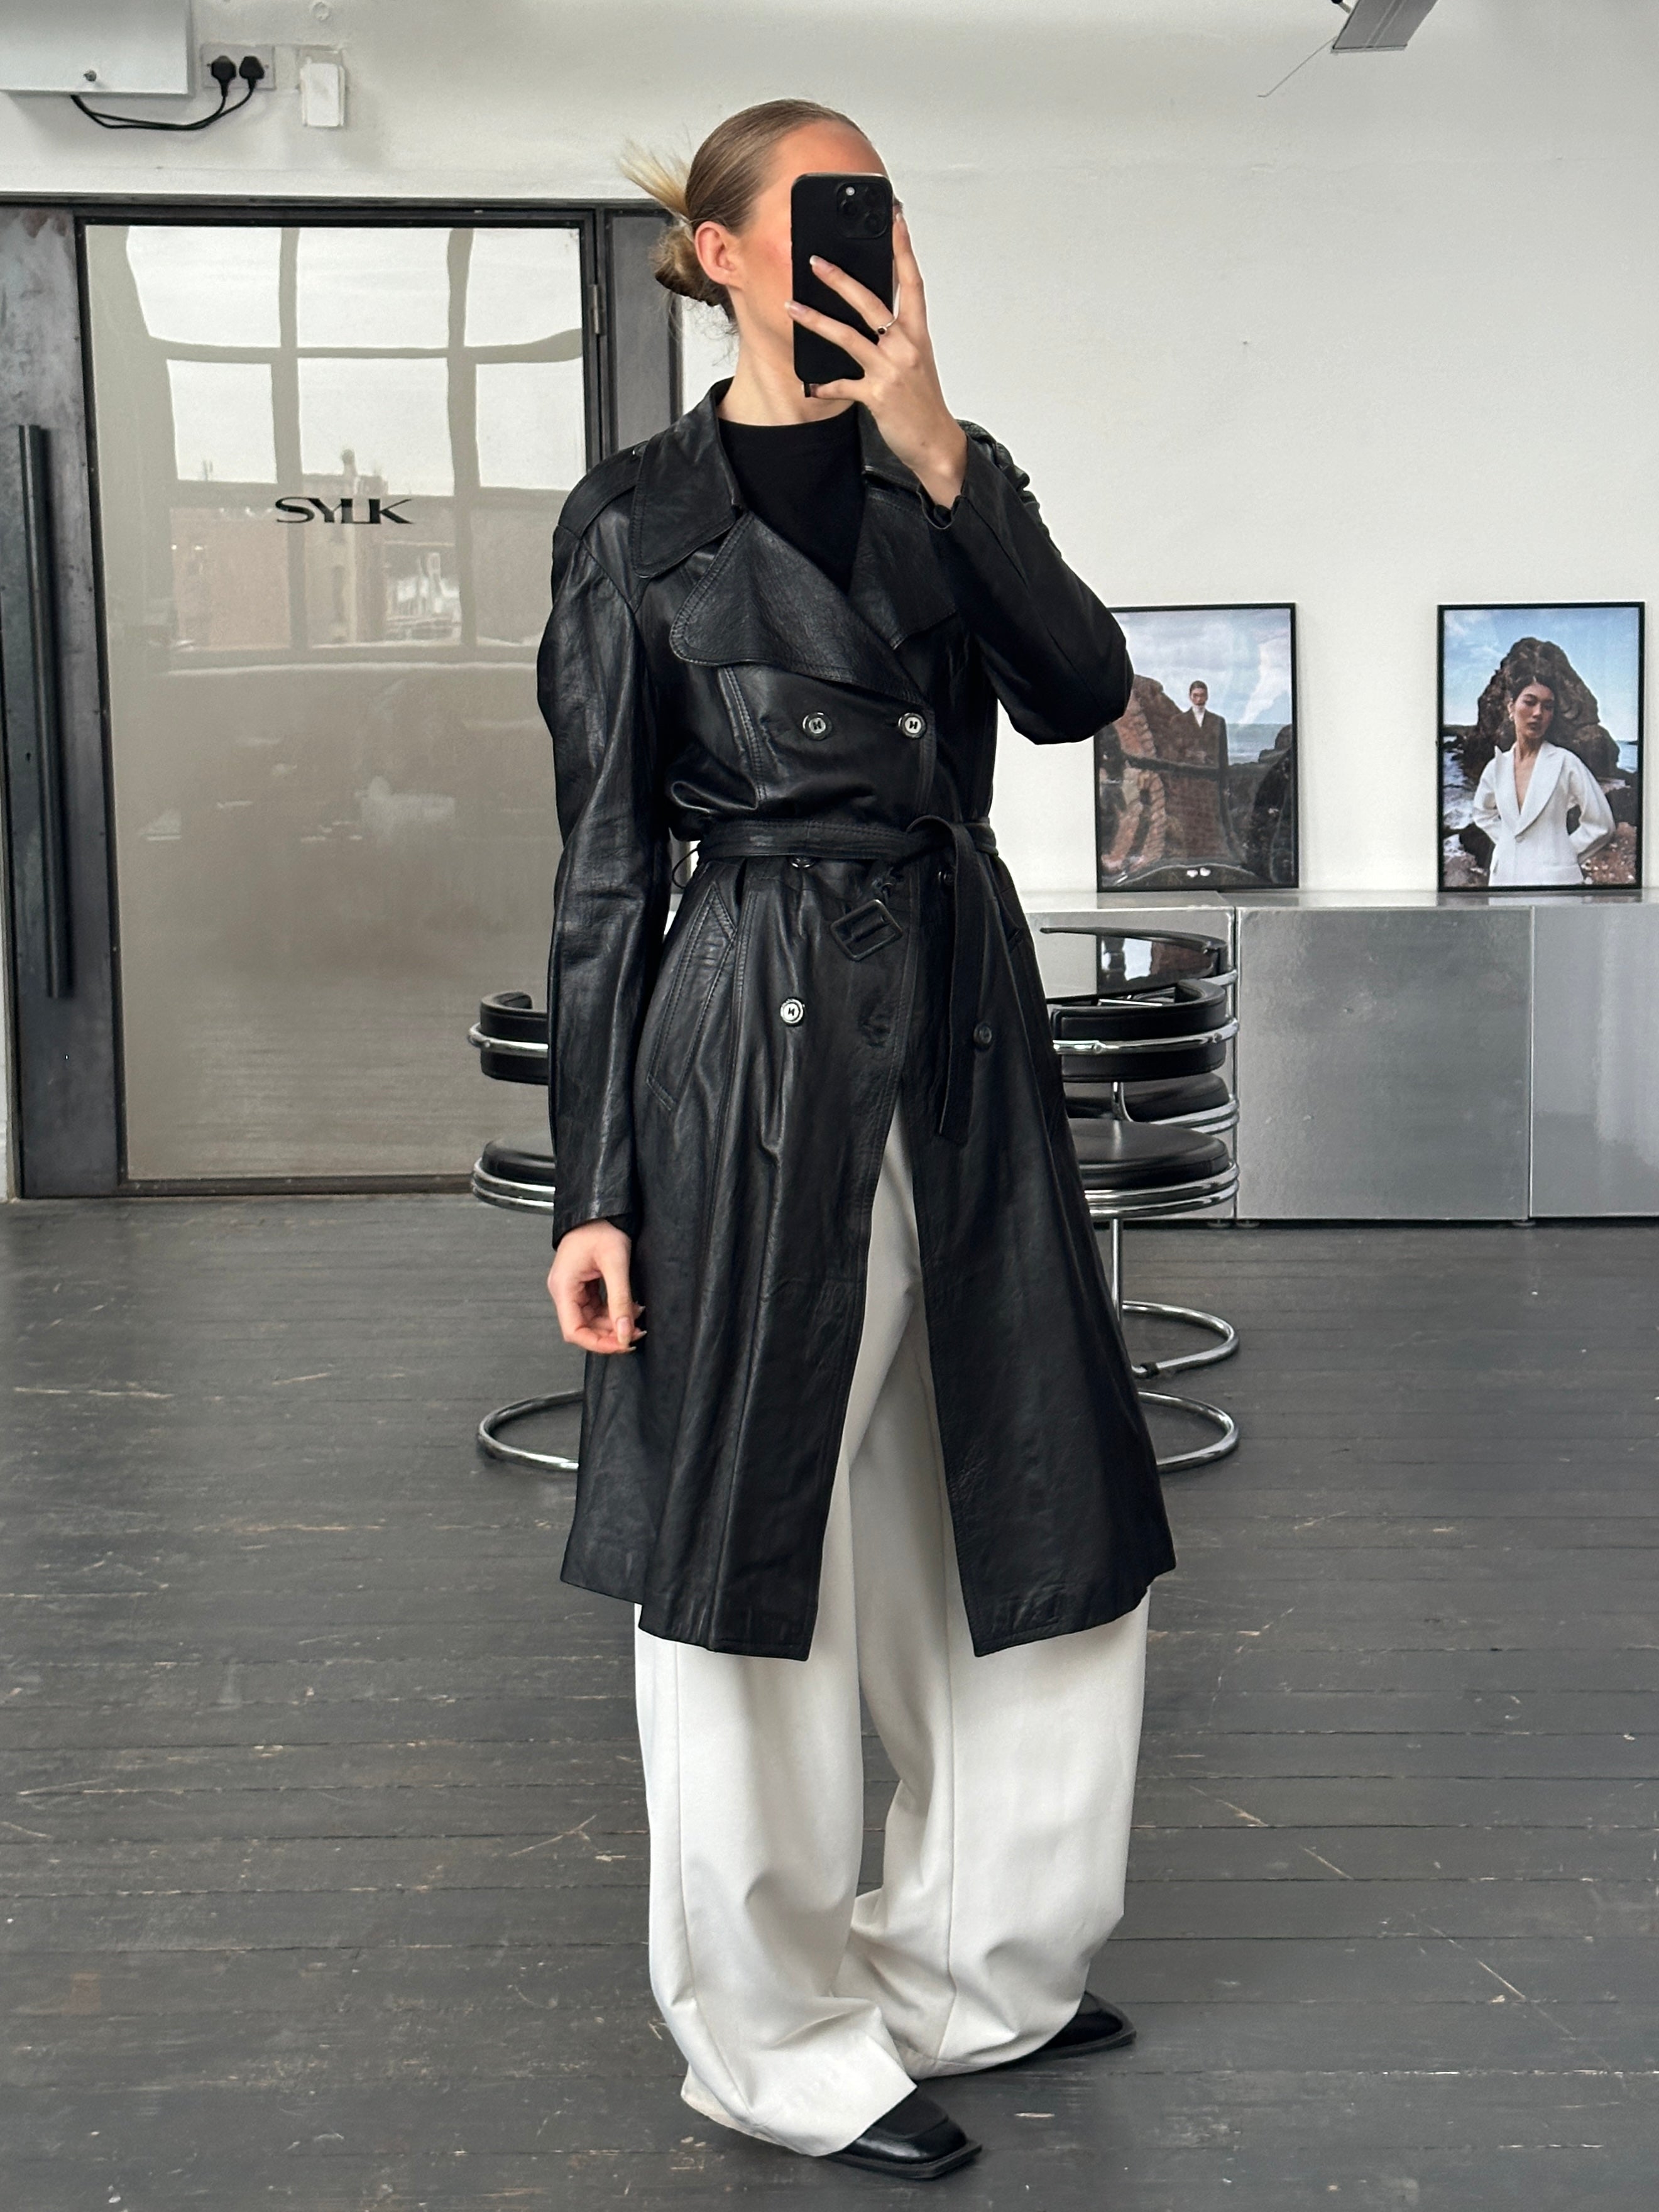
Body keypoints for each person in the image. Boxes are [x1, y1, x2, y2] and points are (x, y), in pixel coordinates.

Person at [539, 97, 1176, 2182]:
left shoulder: (953, 472)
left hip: (963, 1023)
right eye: (818, 210)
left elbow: (1082, 691)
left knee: (1034, 1516)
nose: (861, 241)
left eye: (877, 209)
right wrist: (595, 1185)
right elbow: (605, 864)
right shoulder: (631, 519)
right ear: (722, 250)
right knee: (754, 1559)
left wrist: (940, 450)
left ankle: (982, 1964)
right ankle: (776, 2041)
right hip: (748, 1042)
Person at [1470, 673, 1617, 887]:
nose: (1538, 713)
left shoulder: (1566, 762)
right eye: (1530, 702)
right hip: (1505, 879)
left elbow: (1601, 824)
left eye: (1548, 707)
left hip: (1555, 882)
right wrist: (1508, 841)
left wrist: (1564, 853)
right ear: (1511, 707)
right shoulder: (1497, 767)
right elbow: (1482, 812)